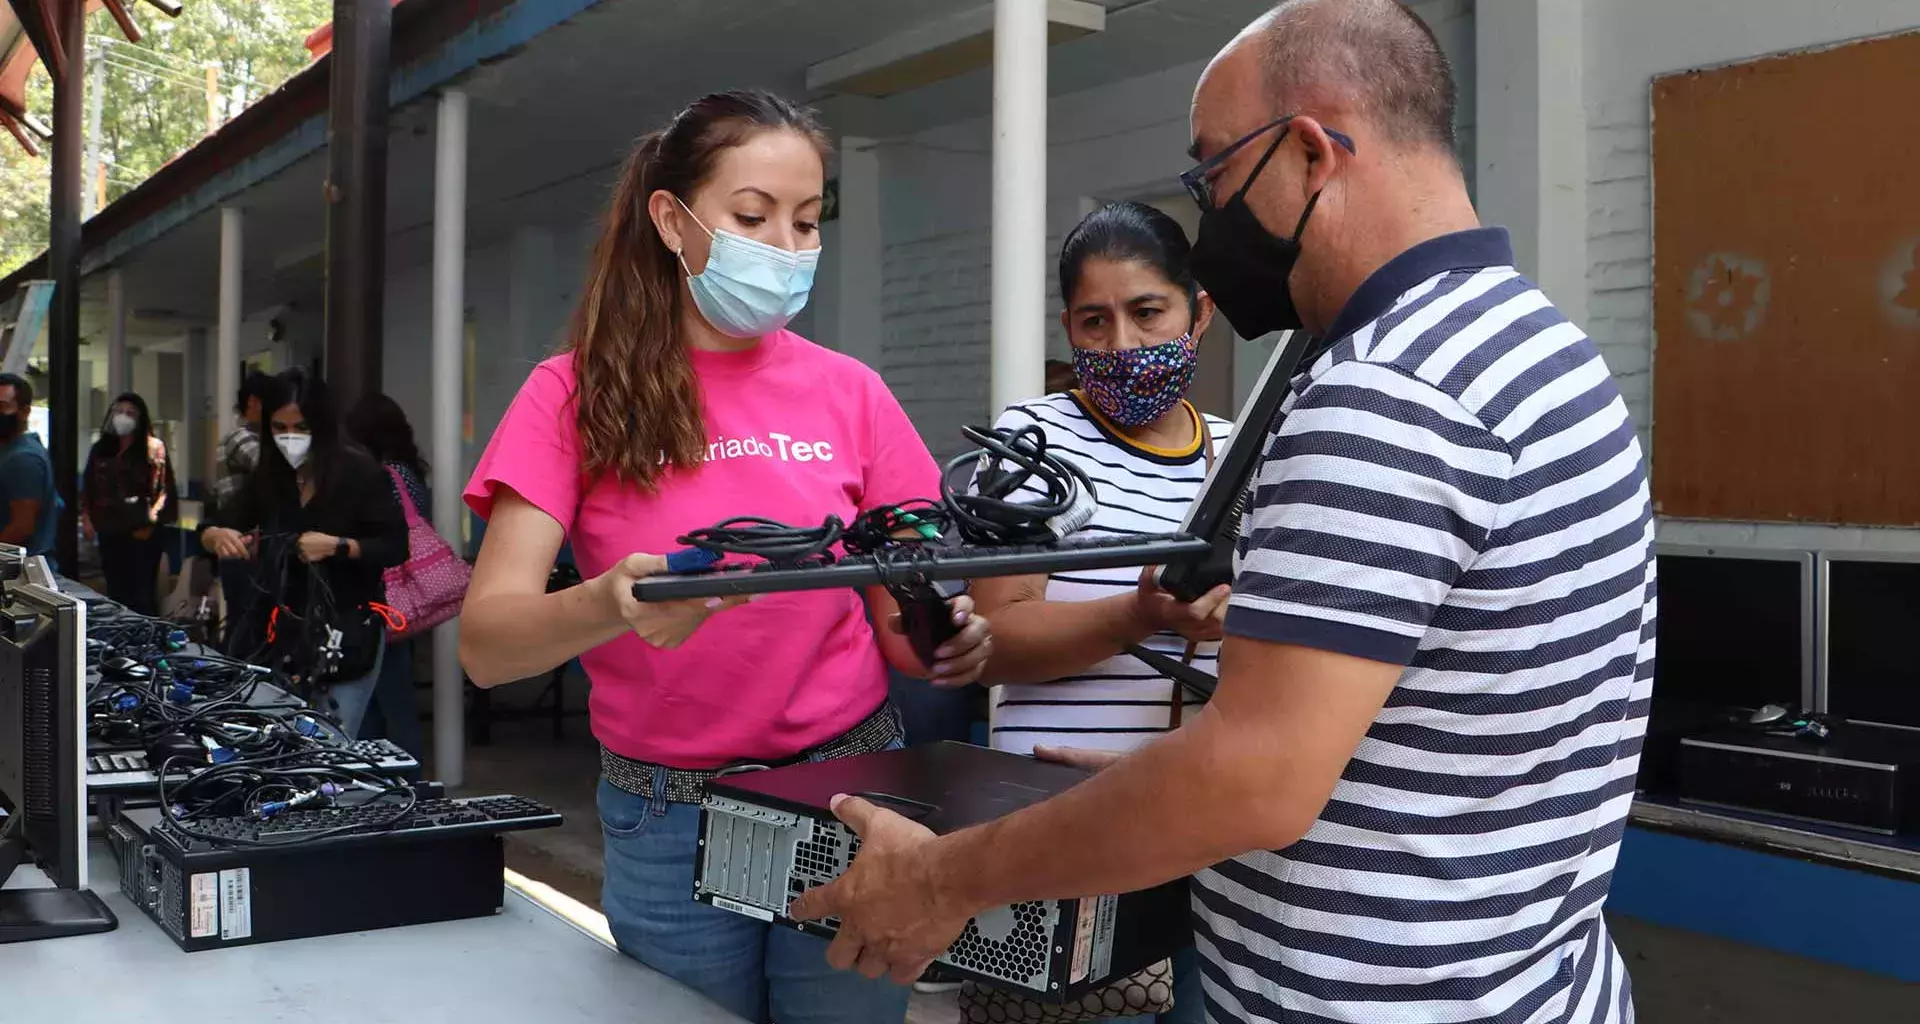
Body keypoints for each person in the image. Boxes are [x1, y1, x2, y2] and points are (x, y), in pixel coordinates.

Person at [794, 5, 1651, 1024]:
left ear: (1307, 153)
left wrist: (942, 880)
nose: (1207, 227)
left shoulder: (1384, 394)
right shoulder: (1536, 344)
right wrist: (1144, 776)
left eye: (1211, 178)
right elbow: (1425, 728)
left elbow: (1254, 784)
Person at [457, 89, 992, 1024]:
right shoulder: (571, 395)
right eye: (752, 217)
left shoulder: (852, 395)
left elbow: (903, 613)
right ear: (672, 219)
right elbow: (489, 646)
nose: (785, 247)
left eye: (808, 220)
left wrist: (947, 639)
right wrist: (613, 602)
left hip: (848, 798)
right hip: (668, 817)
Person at [965, 200, 1235, 1024]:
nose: (1122, 344)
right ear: (1067, 329)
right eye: (1094, 321)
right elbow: (994, 641)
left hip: (1212, 831)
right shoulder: (1029, 445)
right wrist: (1140, 614)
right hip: (1059, 828)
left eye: (1147, 311)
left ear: (1201, 311)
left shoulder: (1241, 456)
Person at [201, 369, 407, 737]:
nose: (289, 438)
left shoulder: (359, 473)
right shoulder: (271, 474)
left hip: (347, 629)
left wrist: (338, 545)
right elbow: (218, 524)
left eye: (300, 427)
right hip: (283, 633)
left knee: (333, 741)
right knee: (280, 739)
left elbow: (395, 546)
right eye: (279, 427)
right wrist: (217, 535)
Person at [345, 393, 431, 759]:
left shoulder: (385, 479)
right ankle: (388, 783)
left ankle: (404, 787)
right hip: (397, 606)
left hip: (384, 603)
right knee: (383, 701)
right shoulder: (410, 474)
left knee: (390, 705)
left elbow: (384, 539)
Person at [82, 393, 177, 614]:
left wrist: (150, 523)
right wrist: (87, 518)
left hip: (142, 533)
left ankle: (145, 642)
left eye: (130, 412)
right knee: (116, 592)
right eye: (119, 411)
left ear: (140, 418)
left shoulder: (153, 448)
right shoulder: (101, 449)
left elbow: (164, 490)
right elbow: (89, 487)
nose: (123, 417)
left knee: (142, 595)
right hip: (109, 532)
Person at [213, 372, 272, 641]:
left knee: (252, 621)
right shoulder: (241, 438)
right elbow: (271, 469)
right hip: (240, 543)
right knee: (245, 621)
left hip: (251, 544)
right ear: (255, 403)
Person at [0, 373, 56, 560]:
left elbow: (22, 526)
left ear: (24, 412)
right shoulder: (11, 450)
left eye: (2, 406)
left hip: (20, 571)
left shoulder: (23, 459)